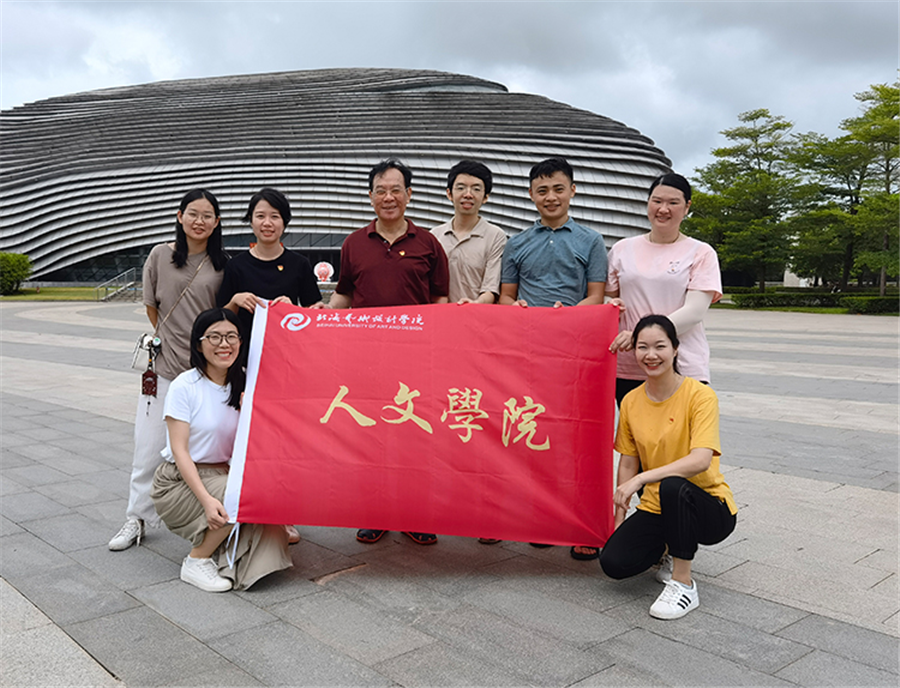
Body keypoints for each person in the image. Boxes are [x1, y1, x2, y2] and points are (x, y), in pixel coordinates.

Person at [323, 158, 450, 545]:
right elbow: (344, 295)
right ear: (370, 196)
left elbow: (440, 301)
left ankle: (414, 513)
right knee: (372, 436)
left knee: (414, 437)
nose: (388, 197)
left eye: (396, 190)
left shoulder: (428, 243)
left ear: (409, 194)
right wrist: (318, 319)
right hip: (367, 360)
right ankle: (375, 512)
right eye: (381, 191)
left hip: (416, 361)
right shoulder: (354, 243)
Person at [499, 156, 607, 559]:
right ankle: (542, 518)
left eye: (558, 189)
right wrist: (518, 310)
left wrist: (568, 318)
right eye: (542, 190)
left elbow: (596, 296)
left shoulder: (591, 241)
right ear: (531, 194)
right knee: (533, 435)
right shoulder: (516, 243)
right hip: (528, 356)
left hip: (576, 355)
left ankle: (582, 524)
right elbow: (506, 297)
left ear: (572, 191)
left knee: (577, 439)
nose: (551, 197)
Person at [109, 189, 228, 551]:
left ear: (217, 222)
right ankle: (136, 517)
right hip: (163, 369)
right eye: (193, 213)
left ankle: (210, 515)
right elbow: (152, 308)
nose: (199, 221)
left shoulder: (223, 264)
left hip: (204, 373)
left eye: (207, 215)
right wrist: (172, 339)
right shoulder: (160, 255)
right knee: (147, 446)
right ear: (179, 216)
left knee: (209, 449)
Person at [599, 315, 737, 619]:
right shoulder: (631, 401)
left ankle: (683, 583)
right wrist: (618, 520)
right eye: (642, 347)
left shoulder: (700, 395)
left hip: (708, 507)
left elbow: (701, 459)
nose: (651, 355)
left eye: (660, 346)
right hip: (658, 505)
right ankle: (668, 546)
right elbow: (628, 462)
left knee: (673, 486)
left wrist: (642, 479)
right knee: (614, 562)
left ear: (675, 349)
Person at [151, 308, 292, 592]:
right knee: (245, 495)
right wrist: (206, 500)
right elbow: (180, 452)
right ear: (199, 344)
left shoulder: (247, 382)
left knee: (273, 528)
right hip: (180, 481)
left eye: (231, 336)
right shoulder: (184, 385)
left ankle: (224, 547)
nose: (224, 344)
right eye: (214, 337)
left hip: (226, 474)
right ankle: (196, 560)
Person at [606, 173, 722, 406]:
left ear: (687, 207)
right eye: (657, 201)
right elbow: (608, 297)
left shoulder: (701, 252)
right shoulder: (621, 249)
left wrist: (639, 336)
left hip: (682, 364)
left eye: (673, 203)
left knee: (681, 429)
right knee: (633, 429)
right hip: (630, 364)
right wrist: (611, 305)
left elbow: (694, 312)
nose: (663, 209)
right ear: (648, 202)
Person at [217, 187, 323, 338]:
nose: (267, 223)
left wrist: (292, 309)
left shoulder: (299, 264)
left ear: (284, 222)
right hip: (244, 348)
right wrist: (235, 301)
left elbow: (313, 314)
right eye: (260, 216)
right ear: (251, 221)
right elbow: (220, 317)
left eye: (274, 216)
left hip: (287, 344)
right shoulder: (235, 265)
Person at [430, 160, 507, 305]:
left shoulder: (495, 236)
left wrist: (475, 304)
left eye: (476, 189)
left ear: (486, 197)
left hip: (478, 314)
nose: (468, 195)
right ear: (449, 194)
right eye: (461, 188)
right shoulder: (434, 236)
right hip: (441, 314)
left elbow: (491, 289)